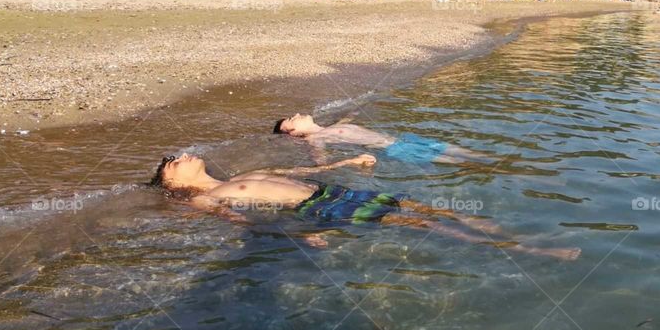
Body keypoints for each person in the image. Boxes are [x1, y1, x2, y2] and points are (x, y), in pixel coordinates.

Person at [150, 153, 581, 260]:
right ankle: (530, 252)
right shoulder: (207, 198)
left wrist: (349, 162)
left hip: (334, 191)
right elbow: (243, 224)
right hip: (321, 211)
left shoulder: (242, 172)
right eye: (175, 160)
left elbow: (295, 167)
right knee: (422, 225)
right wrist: (301, 237)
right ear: (172, 180)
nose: (184, 156)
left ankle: (513, 236)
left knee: (437, 211)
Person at [274, 114, 481, 164]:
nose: (298, 114)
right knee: (459, 162)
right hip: (396, 149)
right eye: (292, 119)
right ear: (293, 134)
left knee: (465, 153)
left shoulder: (332, 126)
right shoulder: (315, 139)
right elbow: (320, 161)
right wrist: (353, 162)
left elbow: (348, 119)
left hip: (402, 139)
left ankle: (498, 161)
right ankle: (496, 169)